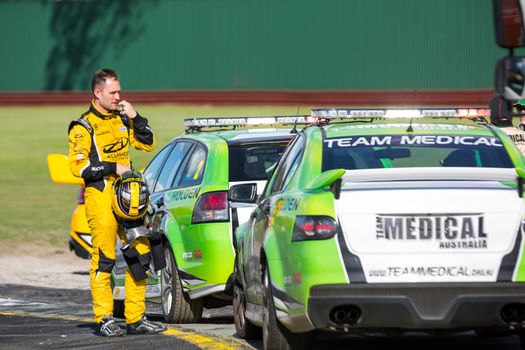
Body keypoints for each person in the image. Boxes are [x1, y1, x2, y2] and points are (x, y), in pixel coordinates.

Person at [67, 68, 166, 336]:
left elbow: (147, 143)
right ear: (97, 93)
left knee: (141, 253)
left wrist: (135, 117)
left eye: (119, 91)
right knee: (105, 257)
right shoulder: (83, 126)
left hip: (128, 197)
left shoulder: (122, 119)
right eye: (113, 92)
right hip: (99, 196)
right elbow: (78, 167)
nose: (118, 96)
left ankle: (136, 318)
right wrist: (113, 167)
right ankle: (105, 318)